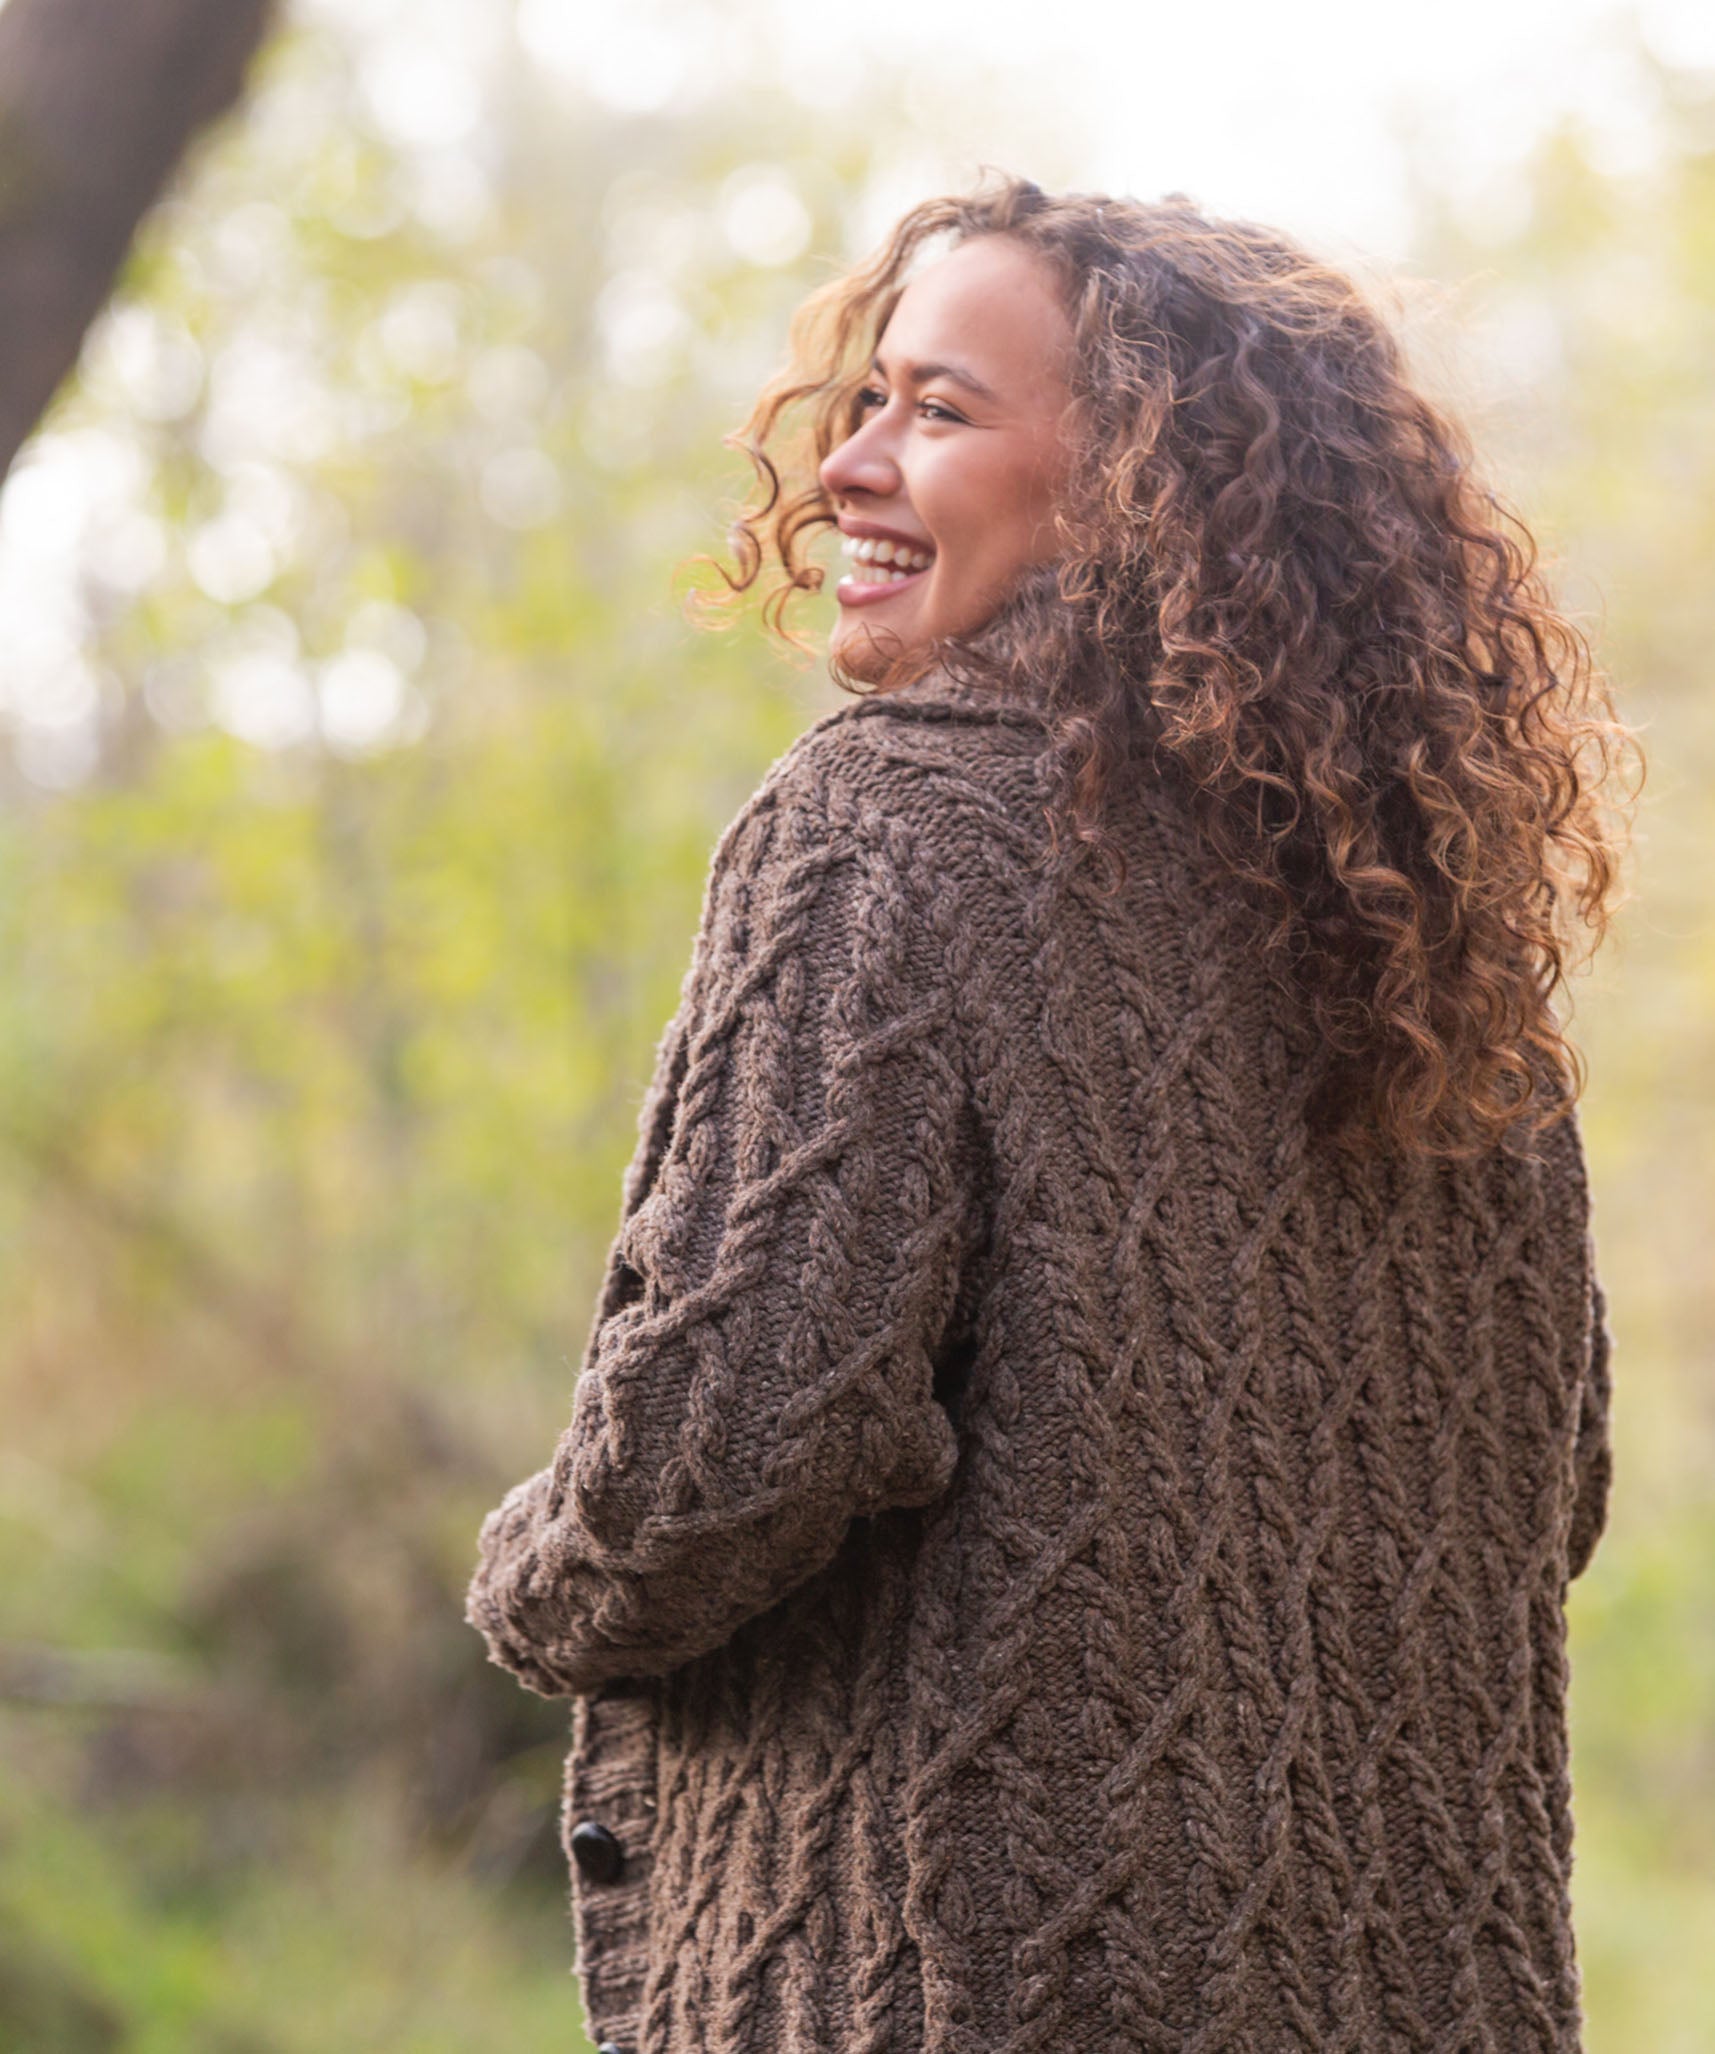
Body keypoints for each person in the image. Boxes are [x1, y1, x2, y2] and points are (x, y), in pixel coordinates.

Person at [464, 173, 1635, 2053]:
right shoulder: (1427, 923)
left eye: (938, 409)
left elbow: (718, 1454)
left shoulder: (886, 827)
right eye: (866, 399)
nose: (848, 462)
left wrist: (532, 1578)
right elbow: (1540, 1496)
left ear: (1134, 486)